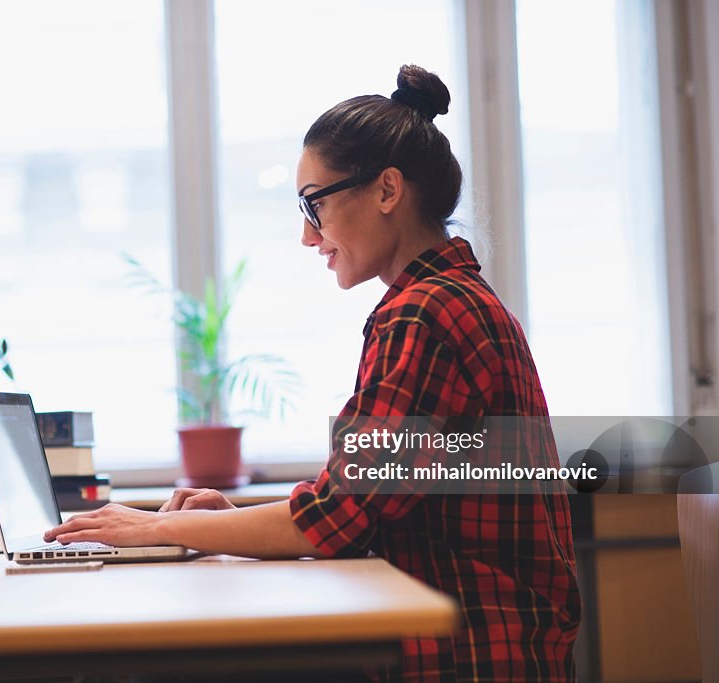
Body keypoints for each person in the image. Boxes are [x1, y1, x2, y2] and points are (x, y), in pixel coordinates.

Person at [44, 65, 580, 681]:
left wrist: (160, 527)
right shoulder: (453, 299)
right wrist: (219, 524)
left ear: (386, 191)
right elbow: (355, 506)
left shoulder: (423, 316)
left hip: (471, 653)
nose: (307, 235)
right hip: (494, 639)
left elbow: (335, 519)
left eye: (314, 205)